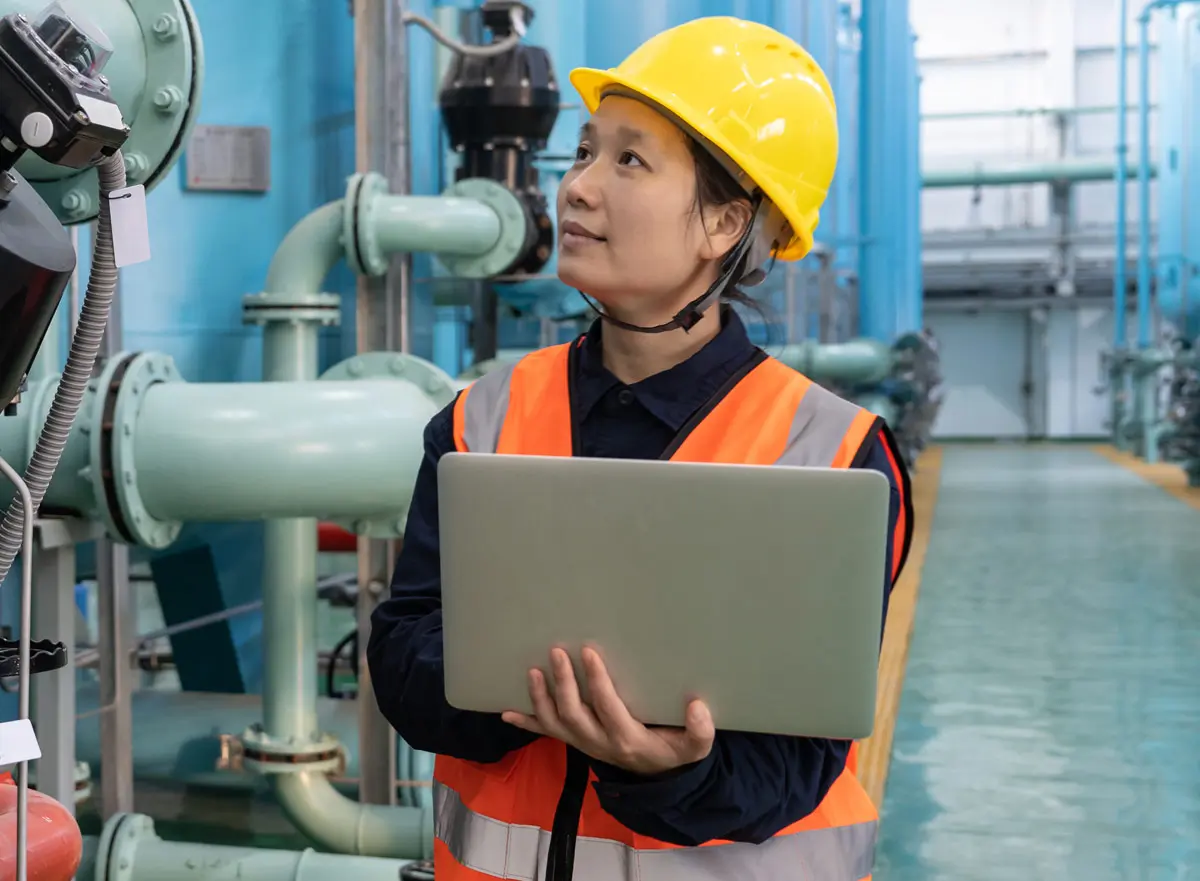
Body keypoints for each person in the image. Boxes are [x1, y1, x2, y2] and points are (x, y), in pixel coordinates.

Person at [367, 16, 914, 881]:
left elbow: (799, 762)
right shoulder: (483, 418)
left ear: (726, 223)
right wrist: (524, 689)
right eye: (585, 151)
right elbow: (402, 653)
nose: (577, 187)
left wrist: (671, 767)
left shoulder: (833, 455)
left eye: (629, 161)